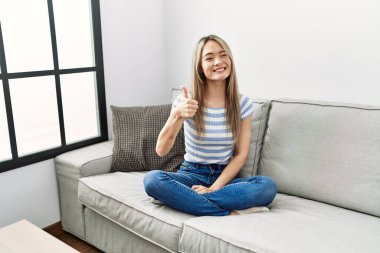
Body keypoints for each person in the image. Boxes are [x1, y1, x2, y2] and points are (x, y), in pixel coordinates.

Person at [143, 35, 277, 216]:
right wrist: (176, 115)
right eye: (209, 58)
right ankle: (230, 212)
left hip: (225, 178)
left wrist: (213, 188)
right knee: (153, 180)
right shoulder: (186, 100)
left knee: (267, 187)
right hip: (191, 173)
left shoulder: (242, 103)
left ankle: (182, 200)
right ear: (200, 66)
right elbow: (161, 150)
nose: (218, 62)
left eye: (223, 55)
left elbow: (240, 155)